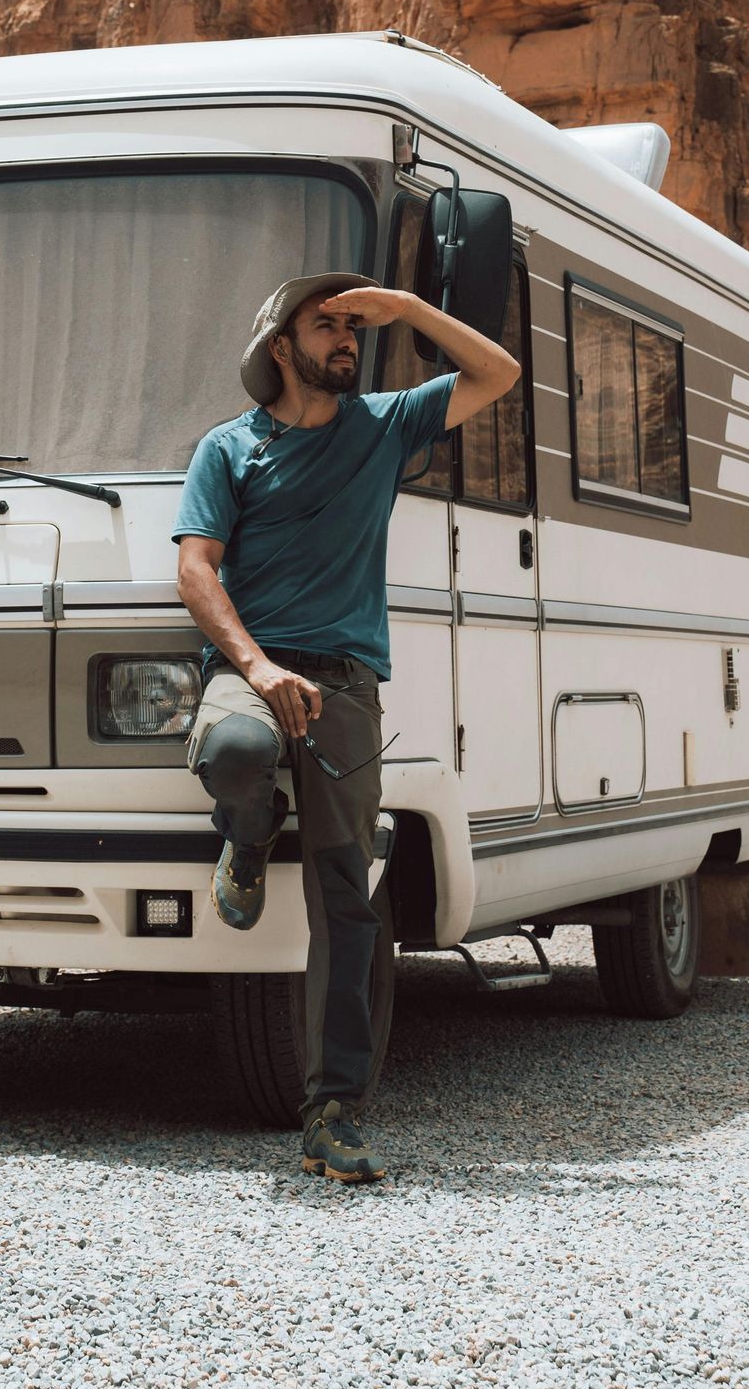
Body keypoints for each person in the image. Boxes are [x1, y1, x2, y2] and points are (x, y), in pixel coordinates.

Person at [174, 271, 520, 1185]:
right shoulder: (229, 448)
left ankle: (333, 1110)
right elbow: (196, 571)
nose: (346, 339)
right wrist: (256, 667)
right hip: (253, 674)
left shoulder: (384, 427)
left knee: (346, 897)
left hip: (348, 689)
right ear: (280, 348)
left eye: (351, 326)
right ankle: (246, 839)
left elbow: (499, 375)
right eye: (324, 327)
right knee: (238, 752)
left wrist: (407, 311)